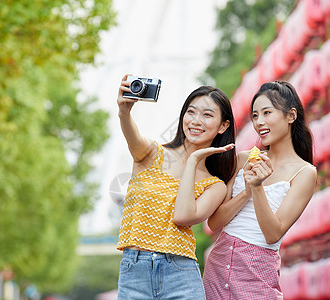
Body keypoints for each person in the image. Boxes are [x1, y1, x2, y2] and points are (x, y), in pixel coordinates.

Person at [115, 74, 237, 299]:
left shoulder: (215, 185)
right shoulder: (151, 154)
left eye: (207, 115)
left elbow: (183, 217)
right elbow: (132, 136)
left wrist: (192, 161)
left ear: (223, 126)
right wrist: (124, 111)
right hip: (135, 272)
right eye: (191, 111)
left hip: (180, 274)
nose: (196, 120)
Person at [202, 80, 317, 299]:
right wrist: (246, 191)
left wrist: (256, 188)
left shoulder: (304, 173)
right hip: (217, 266)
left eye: (266, 113)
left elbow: (273, 233)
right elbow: (214, 222)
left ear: (291, 116)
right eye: (255, 116)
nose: (259, 122)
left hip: (256, 272)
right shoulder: (245, 158)